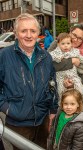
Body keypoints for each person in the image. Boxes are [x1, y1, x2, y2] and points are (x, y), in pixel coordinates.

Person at [0, 13, 58, 149]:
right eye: (23, 31)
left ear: (38, 33)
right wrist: (7, 108)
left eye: (33, 31)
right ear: (16, 33)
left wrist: (53, 109)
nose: (28, 35)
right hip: (18, 123)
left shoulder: (46, 56)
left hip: (42, 120)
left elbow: (52, 84)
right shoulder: (4, 56)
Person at [50, 32, 83, 98]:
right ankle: (60, 103)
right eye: (63, 44)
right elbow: (50, 57)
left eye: (68, 43)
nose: (66, 45)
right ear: (58, 44)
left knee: (79, 86)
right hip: (61, 77)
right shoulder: (56, 51)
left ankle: (79, 99)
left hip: (73, 75)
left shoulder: (74, 51)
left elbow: (82, 59)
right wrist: (61, 59)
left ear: (71, 44)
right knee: (60, 91)